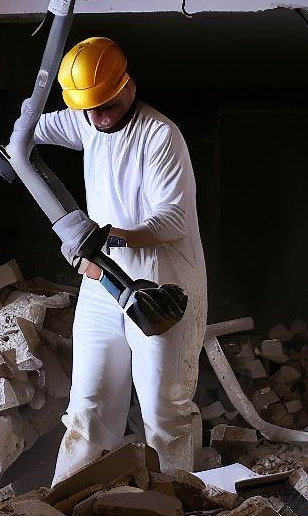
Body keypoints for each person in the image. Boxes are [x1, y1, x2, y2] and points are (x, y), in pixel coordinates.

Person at [32, 36, 207, 482]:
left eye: (106, 105)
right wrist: (14, 146)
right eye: (88, 109)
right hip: (102, 284)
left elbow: (173, 221)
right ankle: (67, 513)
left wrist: (109, 236)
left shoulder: (160, 135)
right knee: (87, 407)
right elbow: (29, 124)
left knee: (165, 412)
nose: (98, 118)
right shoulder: (89, 120)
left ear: (128, 85)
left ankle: (173, 512)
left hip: (160, 284)